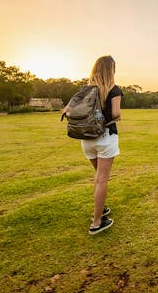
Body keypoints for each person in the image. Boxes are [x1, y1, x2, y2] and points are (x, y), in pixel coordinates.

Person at [65, 55, 123, 235]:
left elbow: (67, 111)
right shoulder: (113, 89)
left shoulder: (85, 89)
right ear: (111, 69)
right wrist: (116, 117)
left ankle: (101, 208)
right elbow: (115, 113)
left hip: (86, 140)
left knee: (99, 178)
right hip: (105, 137)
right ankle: (97, 223)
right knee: (101, 180)